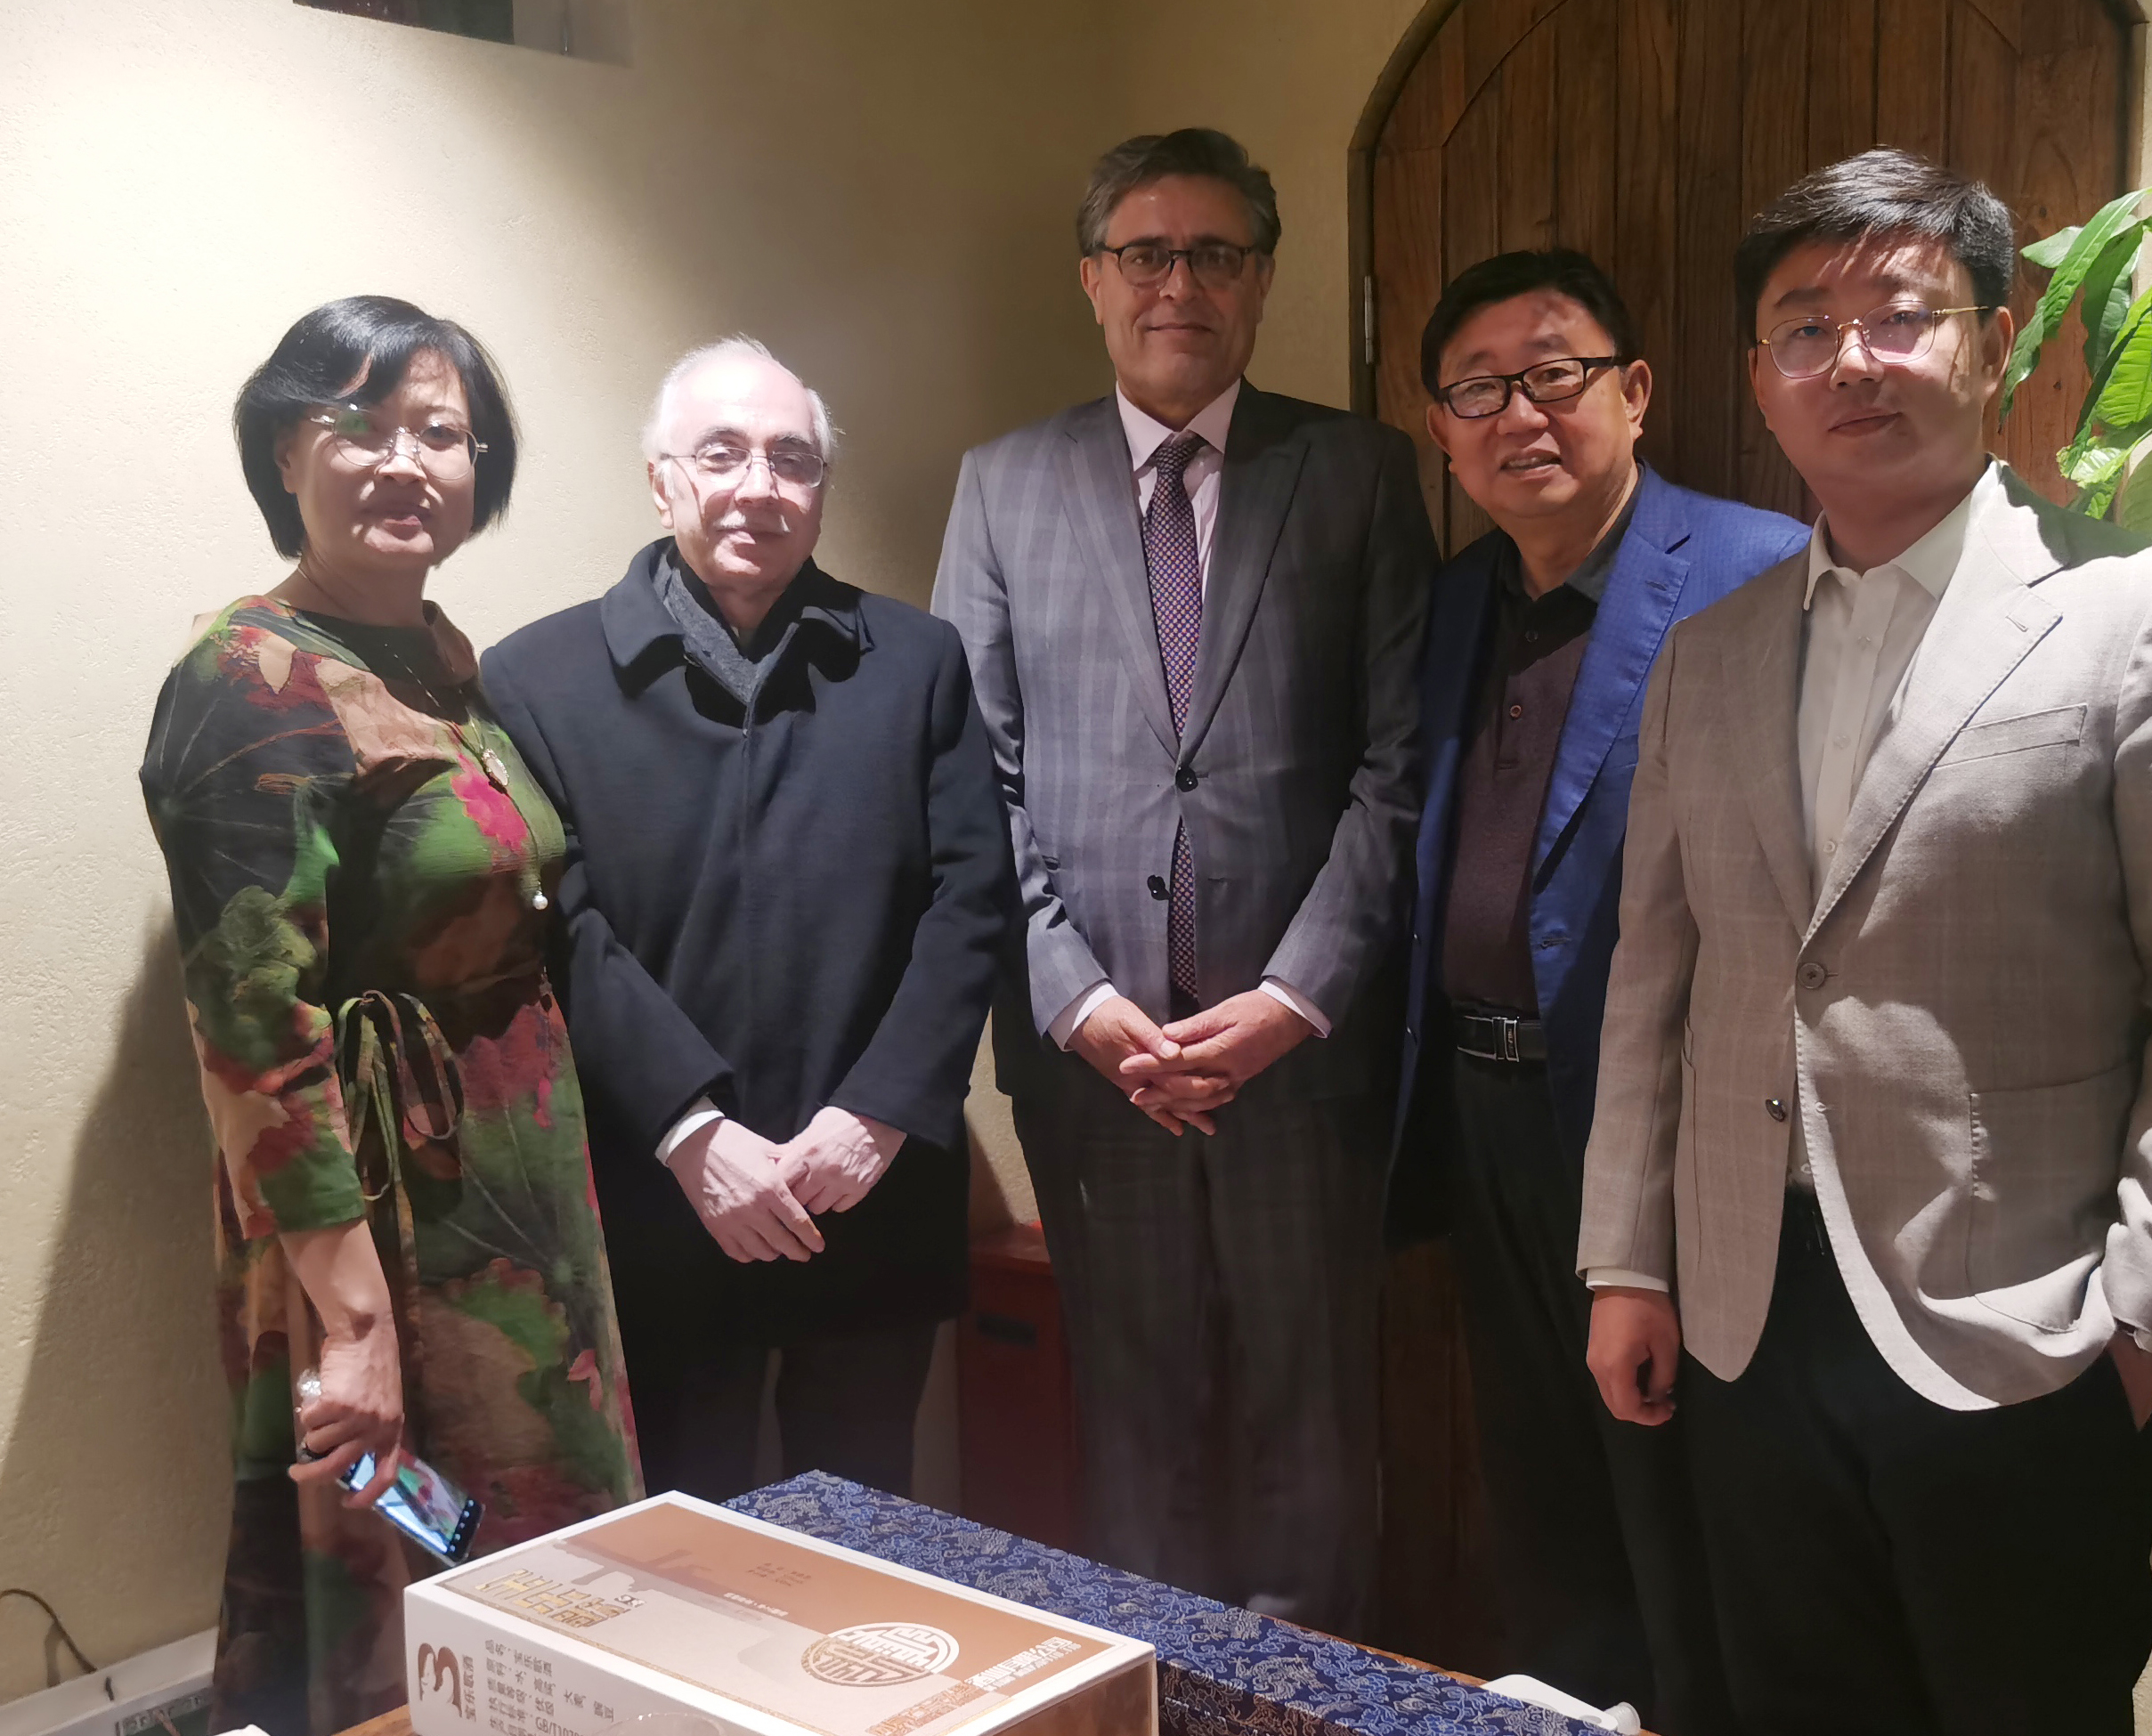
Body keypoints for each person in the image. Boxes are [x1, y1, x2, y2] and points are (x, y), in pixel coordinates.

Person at [1577, 149, 2152, 1732]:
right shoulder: (1707, 656)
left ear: (1992, 348)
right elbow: (1658, 976)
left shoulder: (2143, 615)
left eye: (1902, 316)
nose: (1853, 360)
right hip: (1746, 1314)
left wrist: (2149, 1317)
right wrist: (1628, 1262)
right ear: (1760, 380)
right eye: (1805, 327)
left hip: (2026, 1325)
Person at [931, 127, 1433, 1630]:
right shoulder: (1002, 485)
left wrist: (1294, 997)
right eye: (1146, 254)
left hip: (1298, 1062)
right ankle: (1151, 1687)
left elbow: (1399, 762)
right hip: (1096, 1066)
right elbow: (974, 778)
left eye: (1216, 254)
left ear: (1262, 280)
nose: (1180, 285)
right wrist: (1078, 1001)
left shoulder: (1357, 472)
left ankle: (1301, 1702)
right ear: (1092, 279)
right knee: (1133, 1418)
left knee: (1313, 1422)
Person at [140, 297, 642, 1736]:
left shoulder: (434, 660)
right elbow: (252, 1028)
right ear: (283, 452)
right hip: (379, 1226)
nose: (406, 460)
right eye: (358, 425)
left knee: (524, 1565)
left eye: (442, 432)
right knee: (406, 1542)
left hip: (508, 1211)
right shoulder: (246, 681)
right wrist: (354, 1324)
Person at [483, 337, 1010, 1503]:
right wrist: (690, 1129)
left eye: (791, 459)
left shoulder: (916, 662)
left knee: (863, 1524)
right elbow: (562, 925)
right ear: (660, 480)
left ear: (821, 487)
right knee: (678, 1537)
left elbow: (971, 898)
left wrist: (877, 1114)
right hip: (662, 1191)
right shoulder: (535, 679)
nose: (758, 487)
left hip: (869, 1183)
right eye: (720, 454)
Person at [1390, 250, 1803, 1731]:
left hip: (1680, 1125)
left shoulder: (1762, 570)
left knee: (1687, 1476)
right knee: (1539, 1467)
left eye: (1555, 372)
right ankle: (1570, 1707)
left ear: (1634, 391)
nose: (1521, 414)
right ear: (1441, 430)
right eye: (1478, 388)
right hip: (1482, 1106)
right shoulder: (1452, 602)